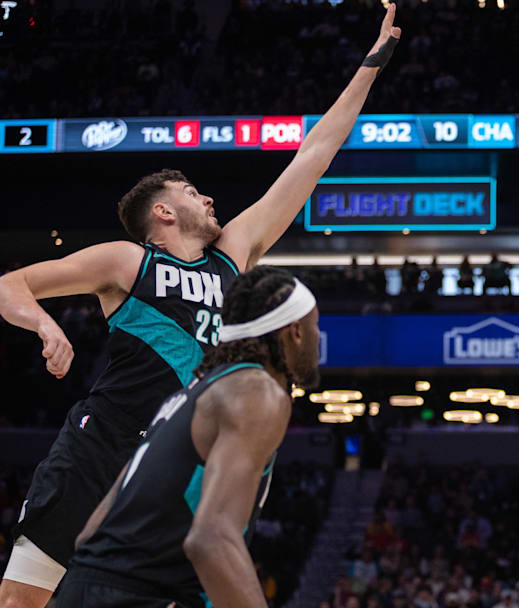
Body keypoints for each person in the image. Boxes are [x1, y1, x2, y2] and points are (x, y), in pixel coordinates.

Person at [0, 6, 401, 605]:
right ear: (162, 212)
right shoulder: (127, 261)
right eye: (191, 192)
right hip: (99, 447)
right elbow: (10, 283)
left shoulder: (232, 255)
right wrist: (43, 324)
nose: (209, 198)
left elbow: (313, 155)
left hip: (168, 462)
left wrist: (371, 65)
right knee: (22, 600)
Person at [56, 266, 321, 607]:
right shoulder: (257, 391)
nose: (318, 336)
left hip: (83, 588)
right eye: (315, 325)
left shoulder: (189, 396)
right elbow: (212, 539)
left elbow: (91, 531)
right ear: (295, 332)